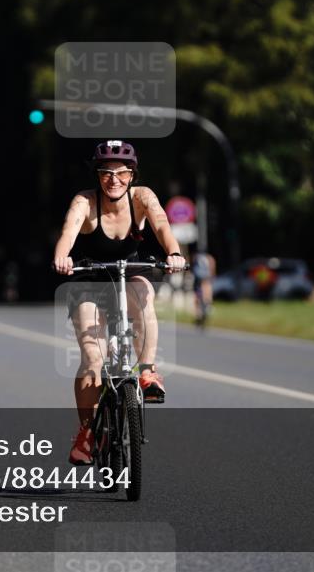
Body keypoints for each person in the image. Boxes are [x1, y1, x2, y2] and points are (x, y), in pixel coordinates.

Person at [52, 141, 186, 465]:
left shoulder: (142, 197)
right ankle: (86, 432)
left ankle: (148, 372)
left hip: (127, 273)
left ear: (132, 174)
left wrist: (175, 253)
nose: (114, 179)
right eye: (106, 173)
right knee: (92, 359)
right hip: (89, 280)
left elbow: (162, 225)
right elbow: (69, 229)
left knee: (143, 295)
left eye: (122, 172)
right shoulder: (85, 201)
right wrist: (62, 256)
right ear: (97, 175)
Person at [191, 248, 216, 328]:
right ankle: (207, 304)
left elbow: (192, 268)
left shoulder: (196, 257)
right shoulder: (209, 258)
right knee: (207, 291)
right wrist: (212, 276)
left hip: (198, 278)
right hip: (206, 278)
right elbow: (212, 267)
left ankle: (199, 313)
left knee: (197, 295)